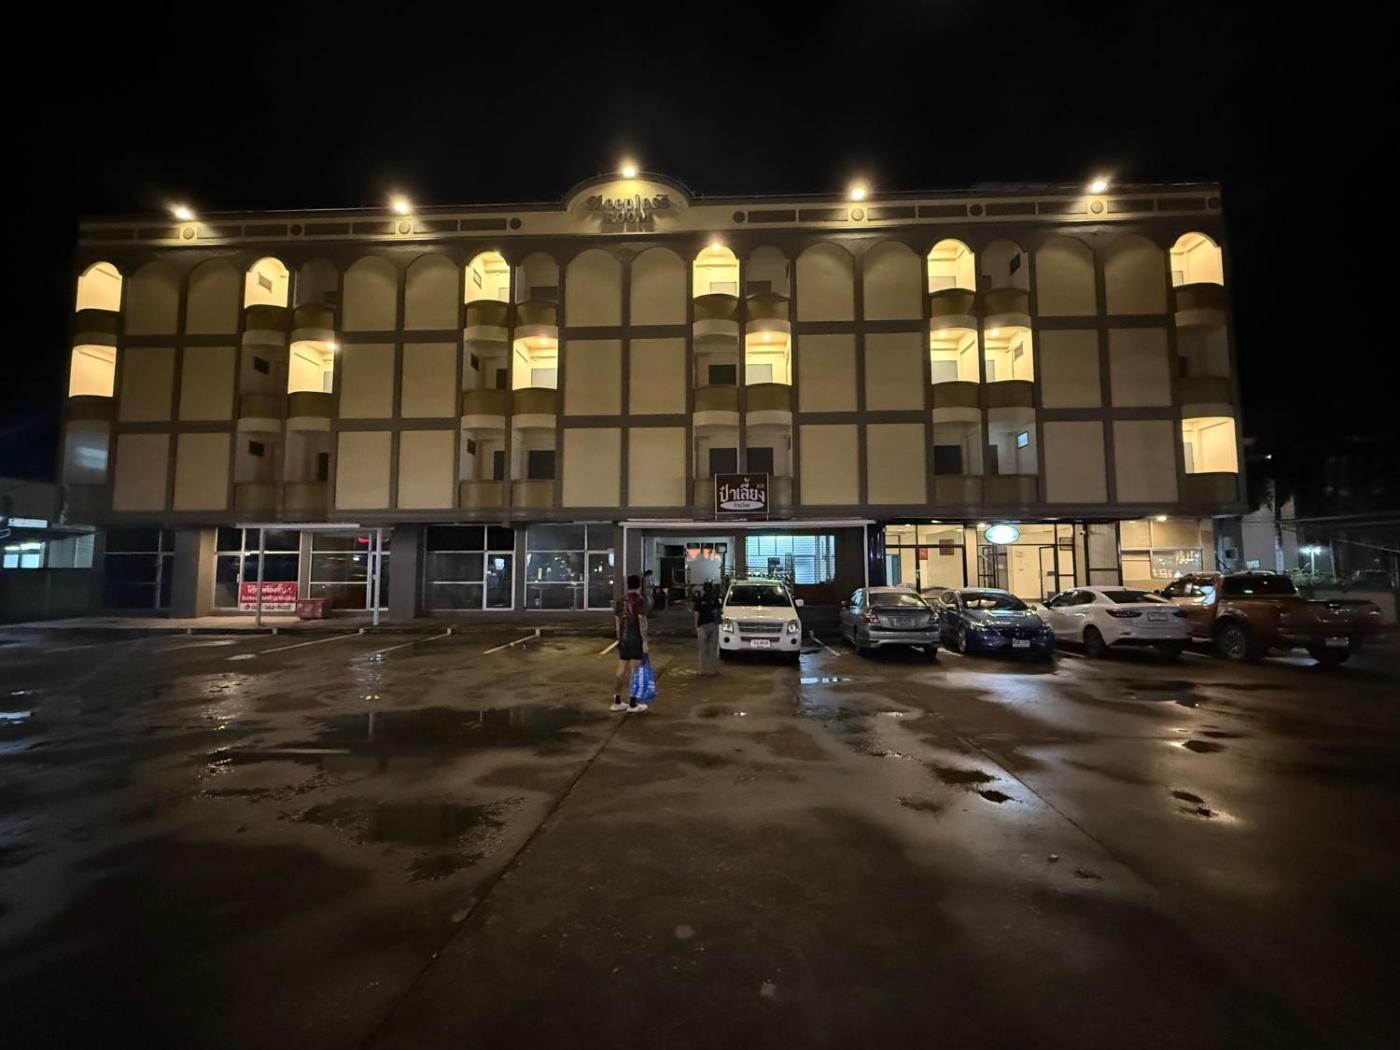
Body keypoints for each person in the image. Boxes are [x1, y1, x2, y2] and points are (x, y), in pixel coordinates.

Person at [612, 574, 650, 713]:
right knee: (635, 671)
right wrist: (644, 642)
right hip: (635, 639)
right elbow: (642, 621)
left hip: (623, 639)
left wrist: (619, 637)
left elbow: (617, 621)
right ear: (639, 585)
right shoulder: (640, 600)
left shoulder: (621, 600)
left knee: (620, 670)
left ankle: (617, 701)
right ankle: (633, 704)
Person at [693, 580, 721, 676]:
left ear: (703, 589)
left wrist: (696, 627)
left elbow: (696, 615)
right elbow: (719, 613)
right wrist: (718, 625)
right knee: (713, 649)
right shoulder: (715, 600)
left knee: (702, 650)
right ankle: (713, 670)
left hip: (702, 626)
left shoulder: (699, 600)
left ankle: (702, 670)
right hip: (713, 625)